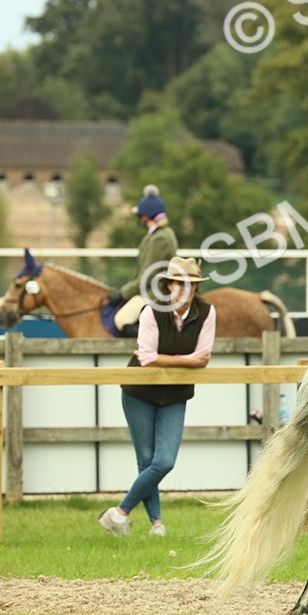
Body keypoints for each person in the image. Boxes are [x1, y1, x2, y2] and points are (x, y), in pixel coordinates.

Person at [98, 257, 216, 537]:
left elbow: (204, 359)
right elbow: (147, 359)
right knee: (147, 459)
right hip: (138, 391)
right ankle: (157, 526)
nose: (185, 290)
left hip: (175, 393)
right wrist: (186, 359)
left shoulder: (207, 312)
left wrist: (178, 360)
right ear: (168, 285)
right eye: (179, 284)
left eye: (191, 285)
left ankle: (118, 513)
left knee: (164, 461)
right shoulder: (151, 312)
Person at [107, 184, 178, 338]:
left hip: (154, 292)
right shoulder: (161, 233)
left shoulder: (159, 238)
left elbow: (147, 276)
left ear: (145, 217)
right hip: (151, 288)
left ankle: (152, 346)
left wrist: (122, 294)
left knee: (121, 319)